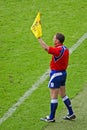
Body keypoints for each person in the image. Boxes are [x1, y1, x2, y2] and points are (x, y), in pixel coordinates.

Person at [38, 33, 76, 122]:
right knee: (63, 95)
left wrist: (39, 38)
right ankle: (71, 113)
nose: (53, 39)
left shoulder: (57, 51)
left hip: (56, 75)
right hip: (63, 74)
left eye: (54, 38)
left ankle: (51, 117)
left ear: (57, 40)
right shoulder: (65, 48)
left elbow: (46, 48)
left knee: (53, 96)